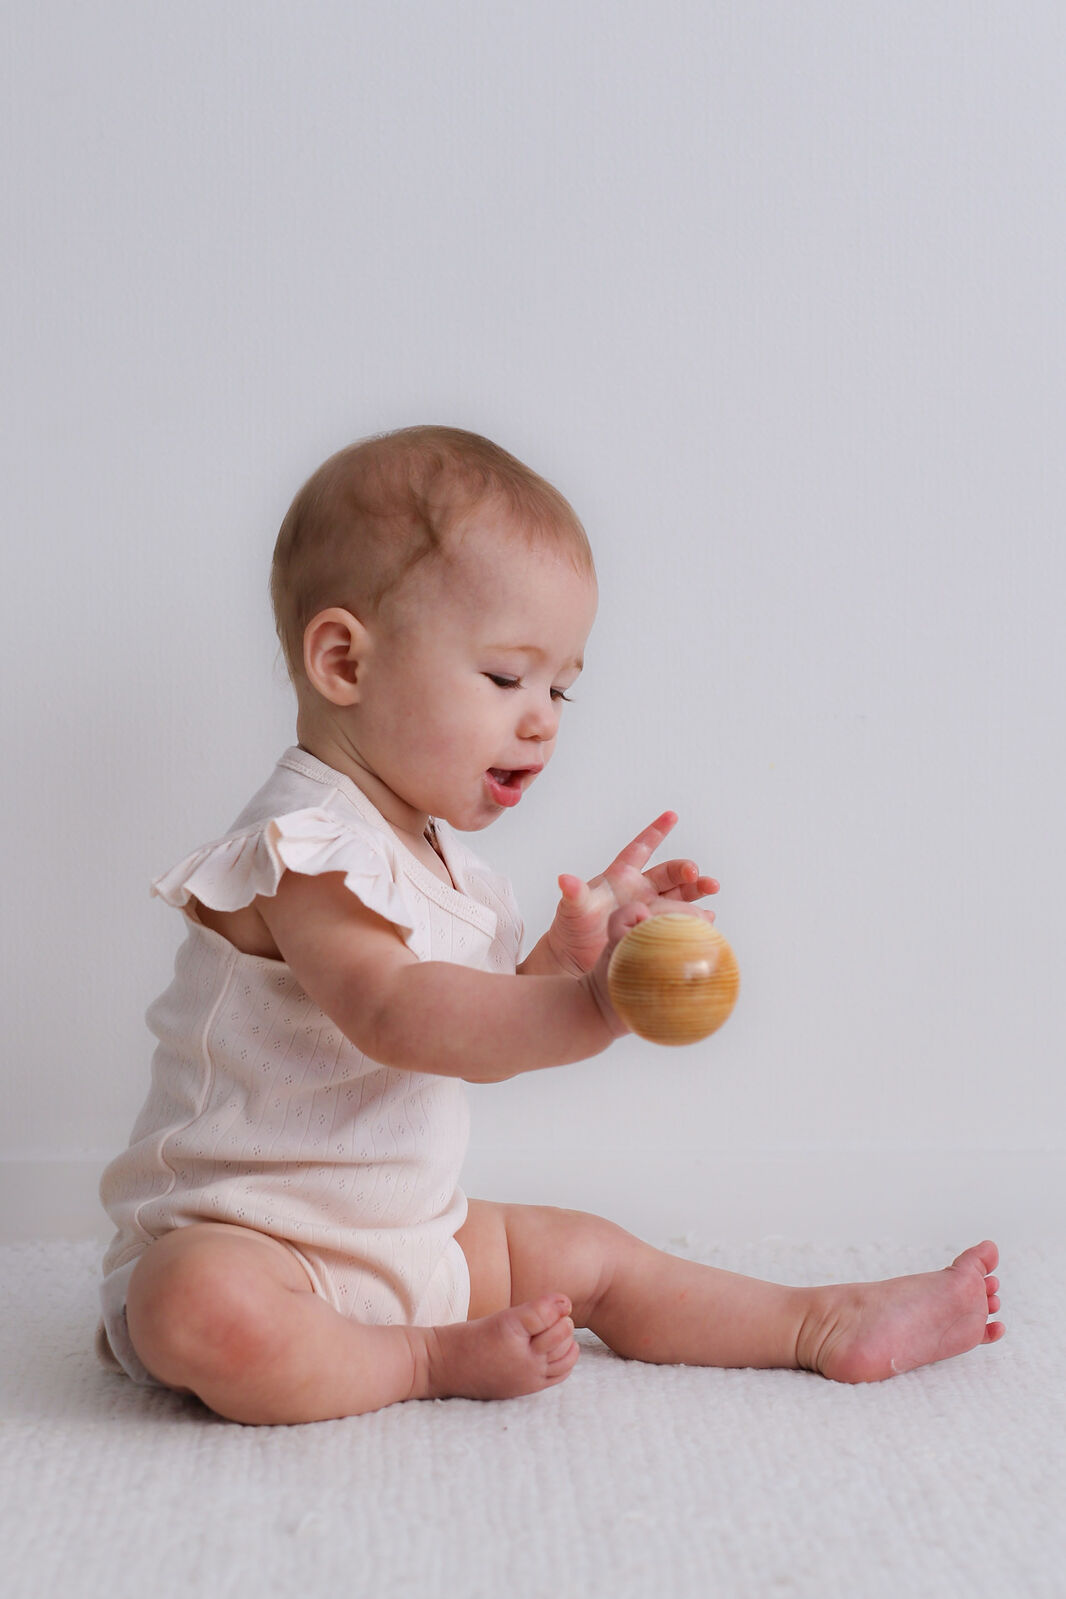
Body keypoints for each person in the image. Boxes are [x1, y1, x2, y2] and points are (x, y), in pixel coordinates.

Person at [97, 425, 1005, 1425]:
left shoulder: (445, 869)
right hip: (253, 1246)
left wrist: (562, 959)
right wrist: (592, 1006)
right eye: (503, 678)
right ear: (344, 661)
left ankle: (816, 1321)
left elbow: (473, 1043)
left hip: (410, 1236)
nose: (542, 720)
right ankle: (418, 1362)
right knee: (192, 1309)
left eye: (560, 685)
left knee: (595, 1257)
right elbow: (400, 1014)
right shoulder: (304, 847)